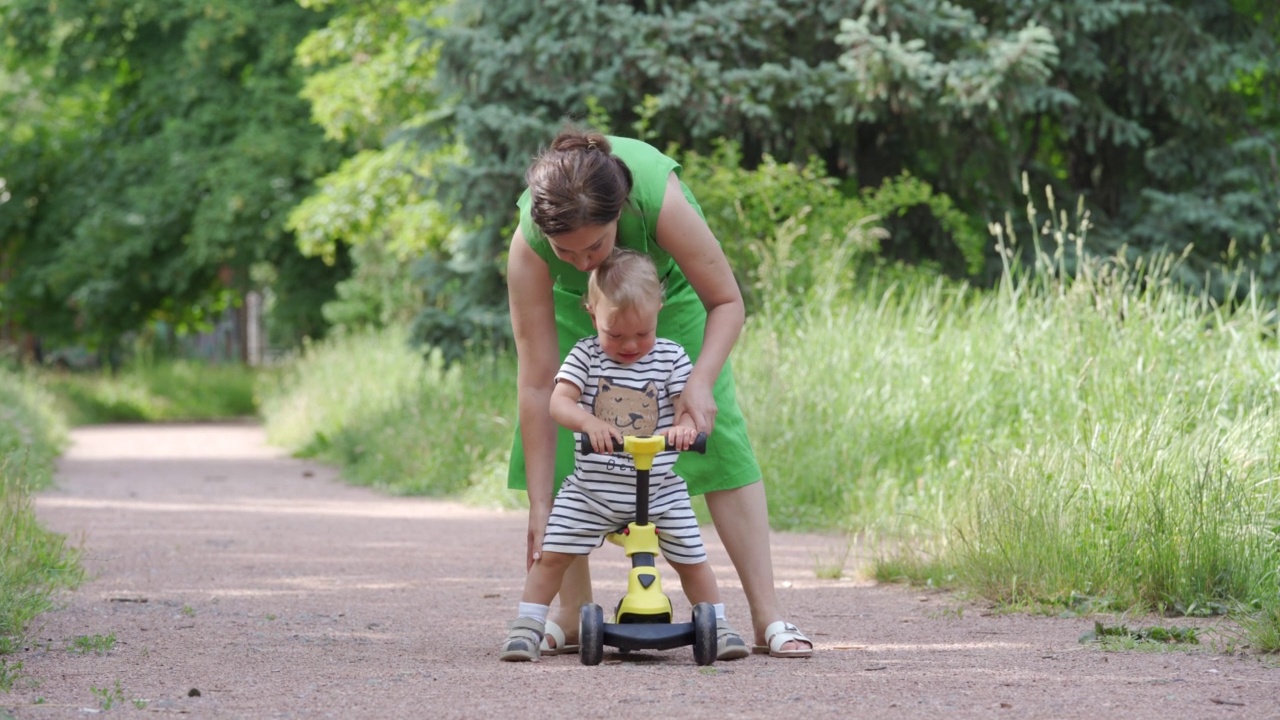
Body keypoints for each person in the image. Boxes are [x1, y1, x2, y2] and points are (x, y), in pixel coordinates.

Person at [506, 128, 813, 659]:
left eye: (596, 244)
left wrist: (699, 382)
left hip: (669, 299)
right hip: (584, 309)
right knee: (573, 427)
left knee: (716, 439)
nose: (583, 261)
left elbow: (726, 300)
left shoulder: (657, 199)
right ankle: (571, 613)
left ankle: (767, 615)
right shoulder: (534, 246)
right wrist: (539, 503)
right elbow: (538, 382)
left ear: (620, 211)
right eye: (567, 251)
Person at [499, 249, 750, 662]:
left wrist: (686, 427)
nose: (630, 345)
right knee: (553, 553)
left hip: (661, 488)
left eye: (642, 333)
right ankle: (527, 625)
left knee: (692, 557)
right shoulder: (585, 356)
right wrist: (588, 422)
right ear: (592, 312)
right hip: (593, 489)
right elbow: (559, 403)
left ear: (658, 312)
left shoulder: (670, 357)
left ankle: (719, 625)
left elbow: (691, 406)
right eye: (615, 335)